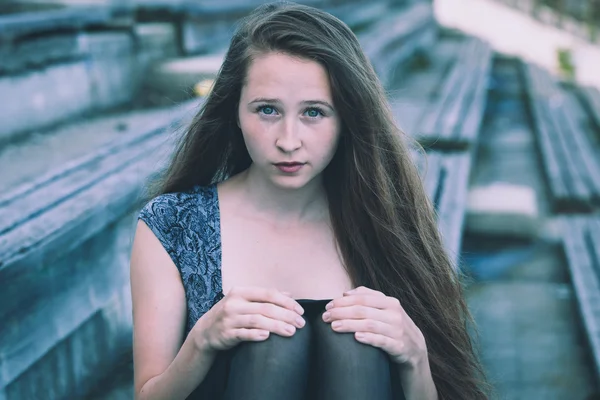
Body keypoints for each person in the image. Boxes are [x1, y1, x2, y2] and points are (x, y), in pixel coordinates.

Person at [129, 2, 490, 399]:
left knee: (357, 344)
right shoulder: (173, 226)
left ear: (348, 118)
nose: (288, 140)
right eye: (267, 110)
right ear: (234, 111)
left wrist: (415, 356)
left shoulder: (383, 221)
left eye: (314, 113)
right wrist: (202, 341)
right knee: (270, 344)